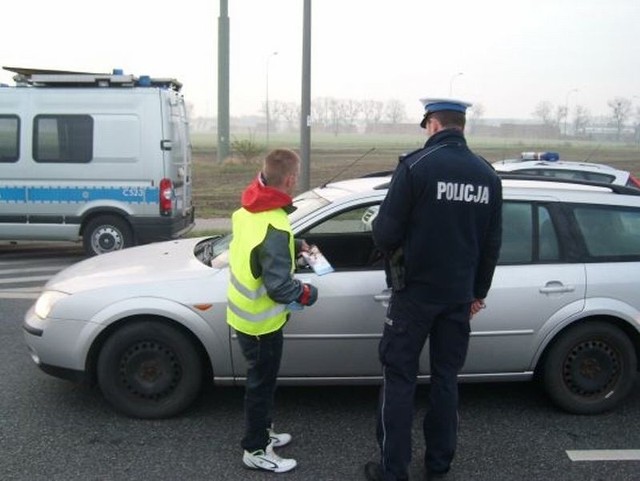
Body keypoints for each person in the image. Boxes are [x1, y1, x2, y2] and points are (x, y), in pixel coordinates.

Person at [364, 99, 503, 481]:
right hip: (458, 296)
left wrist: (379, 229)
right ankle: (439, 464)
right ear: (462, 127)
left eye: (426, 124)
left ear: (433, 124)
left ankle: (393, 471)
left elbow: (387, 232)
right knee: (446, 379)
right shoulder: (487, 176)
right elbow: (492, 243)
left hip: (414, 296)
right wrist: (479, 292)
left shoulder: (416, 167)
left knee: (399, 379)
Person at [226, 148, 318, 473]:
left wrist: (294, 245)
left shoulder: (249, 207)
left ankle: (263, 431)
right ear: (291, 179)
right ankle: (255, 449)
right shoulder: (275, 224)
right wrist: (307, 292)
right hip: (262, 325)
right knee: (261, 386)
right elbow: (280, 287)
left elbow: (257, 249)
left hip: (241, 315)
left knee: (259, 383)